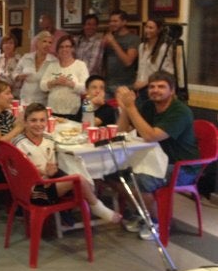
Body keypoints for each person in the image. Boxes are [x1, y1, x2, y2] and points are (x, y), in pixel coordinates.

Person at [116, 71, 199, 240]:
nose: (155, 90)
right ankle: (141, 214)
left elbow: (151, 136)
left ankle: (155, 222)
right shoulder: (148, 106)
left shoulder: (180, 111)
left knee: (142, 179)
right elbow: (122, 132)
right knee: (113, 174)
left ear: (172, 90)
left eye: (161, 87)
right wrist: (125, 109)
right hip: (155, 160)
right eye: (152, 87)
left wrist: (132, 107)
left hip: (182, 166)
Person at [14, 103, 121, 222]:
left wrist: (50, 171)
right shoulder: (19, 143)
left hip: (48, 182)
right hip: (34, 192)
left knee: (81, 175)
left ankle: (75, 211)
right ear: (25, 122)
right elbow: (19, 172)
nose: (38, 124)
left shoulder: (49, 139)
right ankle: (96, 207)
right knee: (79, 180)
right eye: (33, 120)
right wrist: (42, 171)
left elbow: (51, 166)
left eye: (42, 120)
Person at [40, 35, 88, 120]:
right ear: (58, 50)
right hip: (52, 110)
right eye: (61, 47)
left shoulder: (80, 65)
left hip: (73, 112)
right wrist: (55, 82)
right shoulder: (52, 65)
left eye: (67, 46)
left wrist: (70, 84)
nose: (64, 49)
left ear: (73, 48)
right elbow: (42, 86)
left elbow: (86, 89)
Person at [134, 17, 174, 103]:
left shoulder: (164, 48)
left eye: (151, 28)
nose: (147, 30)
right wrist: (137, 83)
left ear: (159, 30)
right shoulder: (142, 46)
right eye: (146, 27)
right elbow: (141, 68)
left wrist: (144, 83)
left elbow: (164, 71)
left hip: (154, 87)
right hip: (141, 89)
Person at [14, 31, 57, 106]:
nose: (47, 45)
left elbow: (55, 81)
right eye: (44, 41)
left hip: (43, 101)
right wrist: (18, 77)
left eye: (50, 43)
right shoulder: (26, 57)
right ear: (37, 43)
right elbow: (15, 73)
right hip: (25, 99)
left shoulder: (54, 61)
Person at [103, 9, 139, 97]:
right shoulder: (110, 36)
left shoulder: (133, 39)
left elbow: (128, 62)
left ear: (124, 22)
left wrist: (113, 42)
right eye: (110, 21)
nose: (112, 23)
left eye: (115, 21)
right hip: (108, 84)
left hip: (125, 85)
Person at [0, 34, 22, 98]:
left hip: (14, 95)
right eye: (5, 43)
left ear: (15, 45)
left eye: (11, 43)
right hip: (0, 93)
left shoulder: (19, 60)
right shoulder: (0, 57)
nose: (7, 45)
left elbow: (19, 81)